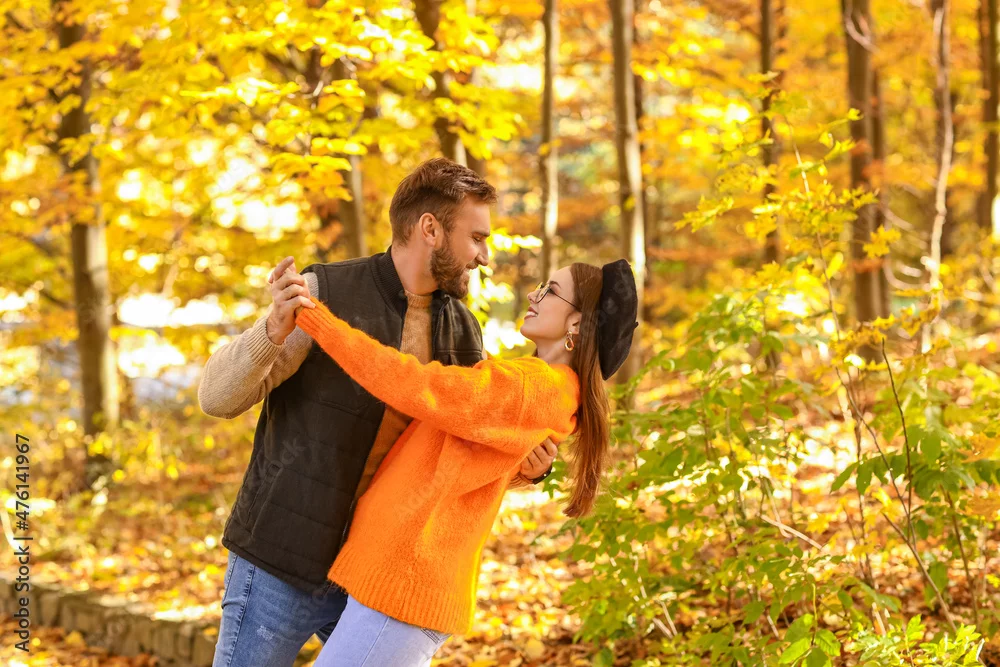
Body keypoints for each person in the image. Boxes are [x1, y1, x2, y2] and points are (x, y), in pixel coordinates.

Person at [198, 158, 558, 667]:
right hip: (281, 559)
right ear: (430, 229)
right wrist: (272, 330)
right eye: (476, 238)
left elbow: (459, 453)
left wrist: (527, 469)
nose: (484, 256)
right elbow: (216, 399)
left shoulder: (461, 331)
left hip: (372, 573)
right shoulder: (324, 293)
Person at [287, 258, 639, 666]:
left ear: (576, 323)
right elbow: (473, 461)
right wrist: (528, 474)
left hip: (406, 580)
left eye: (551, 291)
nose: (534, 294)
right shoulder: (545, 387)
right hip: (405, 579)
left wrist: (315, 319)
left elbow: (413, 383)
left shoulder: (533, 387)